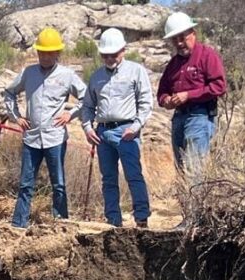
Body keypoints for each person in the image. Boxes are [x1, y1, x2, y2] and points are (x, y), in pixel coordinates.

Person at [3, 27, 86, 230]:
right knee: (25, 184)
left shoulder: (67, 75)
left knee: (58, 184)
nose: (45, 57)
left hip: (55, 138)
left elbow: (87, 98)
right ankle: (18, 225)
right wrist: (16, 117)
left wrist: (70, 114)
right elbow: (9, 93)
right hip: (31, 138)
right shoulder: (28, 73)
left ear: (57, 53)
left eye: (50, 53)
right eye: (42, 52)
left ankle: (61, 225)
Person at [80, 28, 153, 228]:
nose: (109, 58)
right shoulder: (96, 76)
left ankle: (141, 218)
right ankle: (113, 221)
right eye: (105, 55)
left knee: (133, 175)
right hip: (102, 132)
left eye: (113, 54)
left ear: (123, 50)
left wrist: (136, 126)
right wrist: (87, 128)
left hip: (127, 131)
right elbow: (87, 106)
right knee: (108, 179)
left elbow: (146, 102)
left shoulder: (136, 71)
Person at [156, 12, 226, 176]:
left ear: (193, 33)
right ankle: (184, 194)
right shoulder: (173, 63)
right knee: (181, 169)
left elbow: (219, 86)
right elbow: (162, 91)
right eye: (174, 39)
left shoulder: (207, 55)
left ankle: (195, 194)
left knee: (194, 168)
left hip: (199, 116)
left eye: (182, 38)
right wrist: (166, 100)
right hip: (178, 117)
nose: (179, 43)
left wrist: (188, 95)